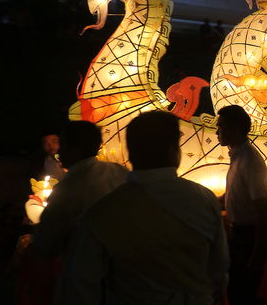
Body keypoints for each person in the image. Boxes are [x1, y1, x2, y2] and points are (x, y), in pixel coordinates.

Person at [60, 111, 229, 305]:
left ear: (130, 152)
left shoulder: (102, 214)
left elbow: (82, 287)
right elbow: (219, 269)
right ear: (174, 150)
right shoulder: (204, 199)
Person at [33, 121, 128, 259]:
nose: (58, 150)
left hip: (87, 267)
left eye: (63, 144)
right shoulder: (119, 171)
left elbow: (45, 244)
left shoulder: (66, 190)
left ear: (75, 150)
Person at [217, 105, 267, 305]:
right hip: (240, 235)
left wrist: (256, 256)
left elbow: (263, 210)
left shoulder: (250, 161)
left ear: (235, 128)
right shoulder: (238, 156)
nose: (217, 132)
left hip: (248, 236)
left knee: (242, 293)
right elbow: (236, 193)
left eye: (221, 126)